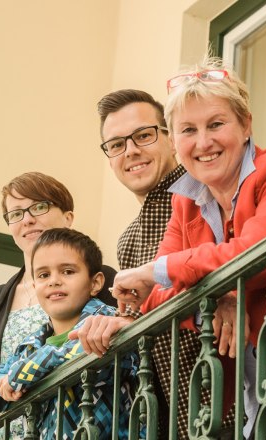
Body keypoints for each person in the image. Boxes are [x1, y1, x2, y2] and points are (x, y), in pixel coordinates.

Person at [75, 58, 266, 439]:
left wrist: (165, 274)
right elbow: (157, 301)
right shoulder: (186, 202)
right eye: (188, 129)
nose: (203, 142)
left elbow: (257, 252)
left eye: (216, 124)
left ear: (246, 124)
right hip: (251, 409)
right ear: (175, 140)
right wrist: (220, 296)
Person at [97, 89, 210, 437]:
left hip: (232, 394)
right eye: (116, 144)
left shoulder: (206, 192)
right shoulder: (128, 239)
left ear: (171, 139)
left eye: (143, 136)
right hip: (172, 413)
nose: (130, 151)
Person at [0, 172, 117, 435]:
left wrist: (20, 374)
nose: (27, 219)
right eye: (15, 213)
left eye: (39, 207)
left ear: (68, 217)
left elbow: (100, 349)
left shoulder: (101, 278)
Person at [0, 228, 137, 440]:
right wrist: (5, 385)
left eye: (68, 271)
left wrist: (18, 376)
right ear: (35, 286)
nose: (54, 281)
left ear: (95, 282)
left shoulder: (106, 322)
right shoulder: (31, 344)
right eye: (43, 275)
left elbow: (80, 354)